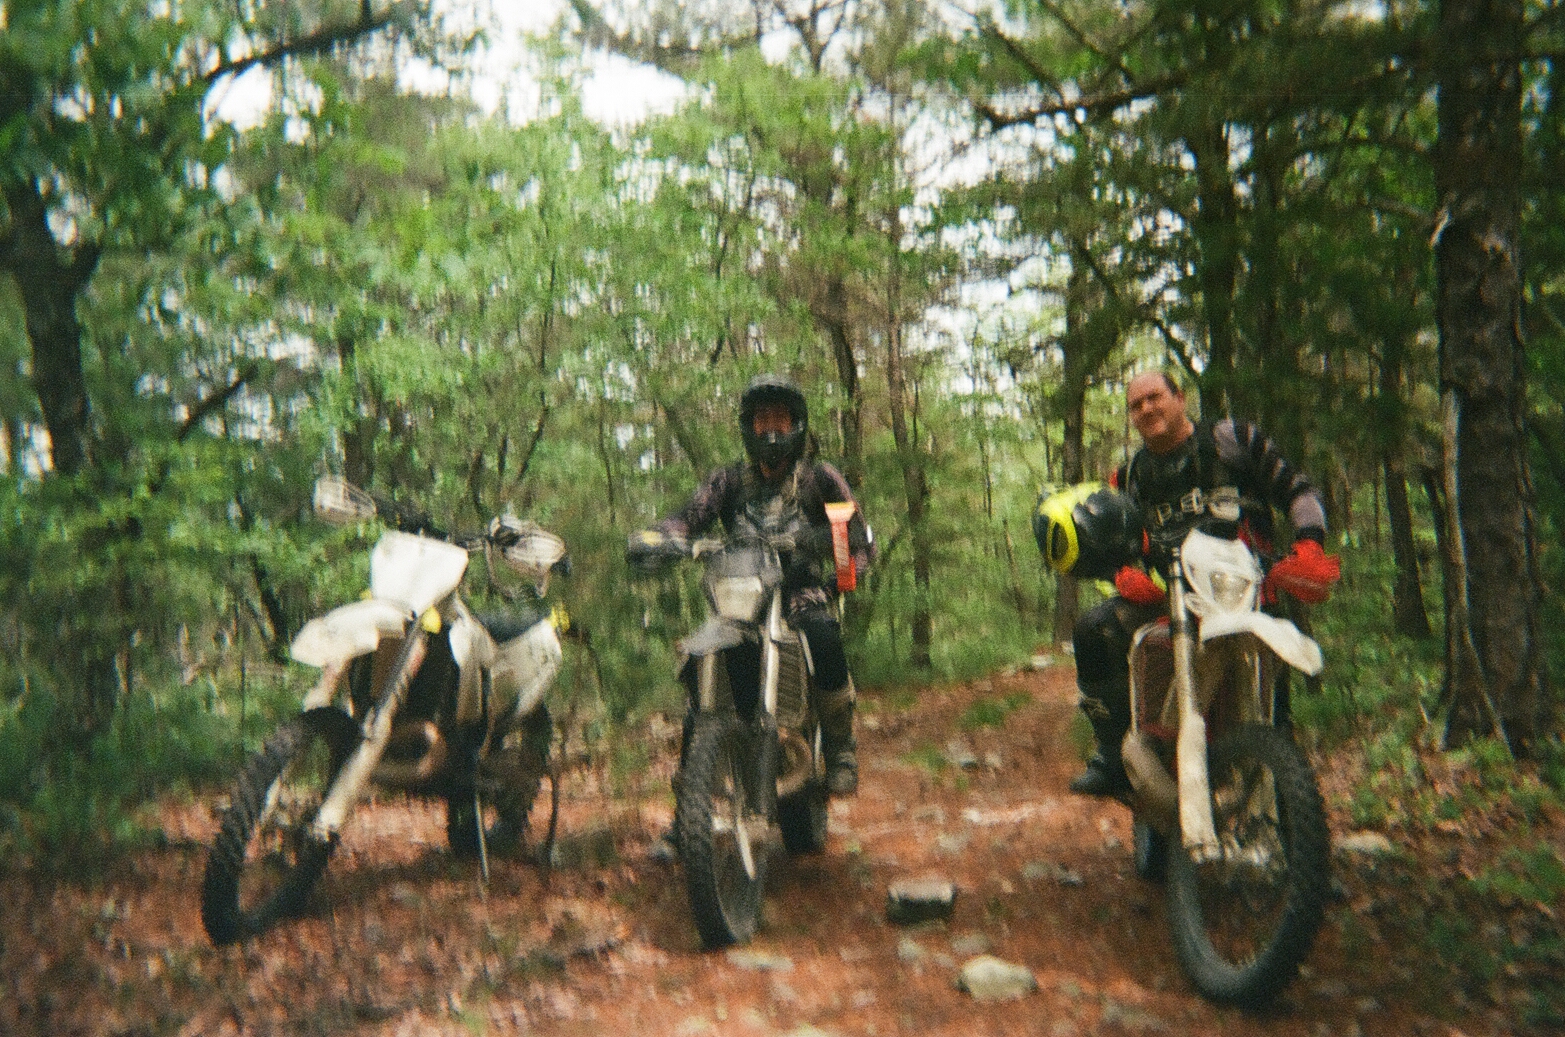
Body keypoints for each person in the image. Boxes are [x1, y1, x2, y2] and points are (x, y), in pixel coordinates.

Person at [1057, 370, 1341, 797]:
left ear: (1180, 398)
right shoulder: (1128, 478)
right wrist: (1121, 575)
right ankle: (1113, 755)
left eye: (1155, 397)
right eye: (1136, 405)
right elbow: (1107, 543)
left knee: (1276, 717)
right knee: (1093, 630)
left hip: (1247, 590)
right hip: (1169, 595)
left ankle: (1287, 801)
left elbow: (1299, 490)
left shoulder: (1234, 439)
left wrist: (1310, 545)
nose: (1147, 409)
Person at [631, 373, 873, 795]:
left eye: (781, 420)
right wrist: (658, 538)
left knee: (823, 636)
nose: (772, 432)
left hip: (800, 593)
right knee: (702, 658)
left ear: (797, 425)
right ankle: (693, 785)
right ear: (749, 427)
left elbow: (856, 536)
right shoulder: (728, 481)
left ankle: (840, 749)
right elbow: (689, 517)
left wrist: (833, 574)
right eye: (763, 422)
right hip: (740, 596)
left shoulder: (820, 479)